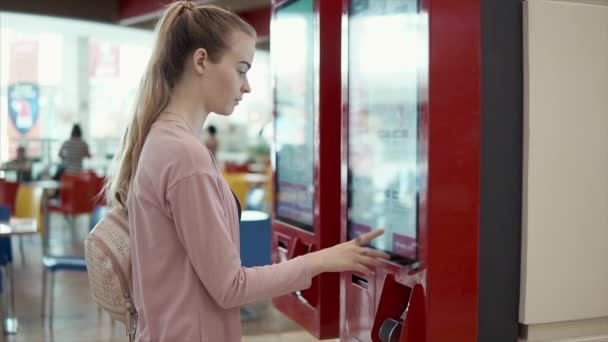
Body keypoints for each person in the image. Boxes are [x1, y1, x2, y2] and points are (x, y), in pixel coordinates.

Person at [105, 2, 389, 341]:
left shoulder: (161, 141)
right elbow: (230, 286)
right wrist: (323, 260)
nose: (247, 86)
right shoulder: (185, 155)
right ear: (200, 61)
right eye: (241, 70)